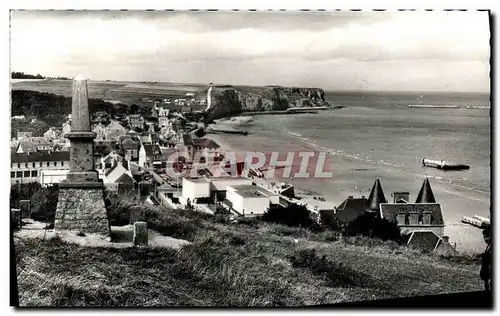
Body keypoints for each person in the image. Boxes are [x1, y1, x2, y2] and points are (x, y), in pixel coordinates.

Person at [480, 225, 492, 291]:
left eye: (487, 237)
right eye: (484, 237)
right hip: (486, 276)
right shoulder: (489, 246)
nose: (485, 239)